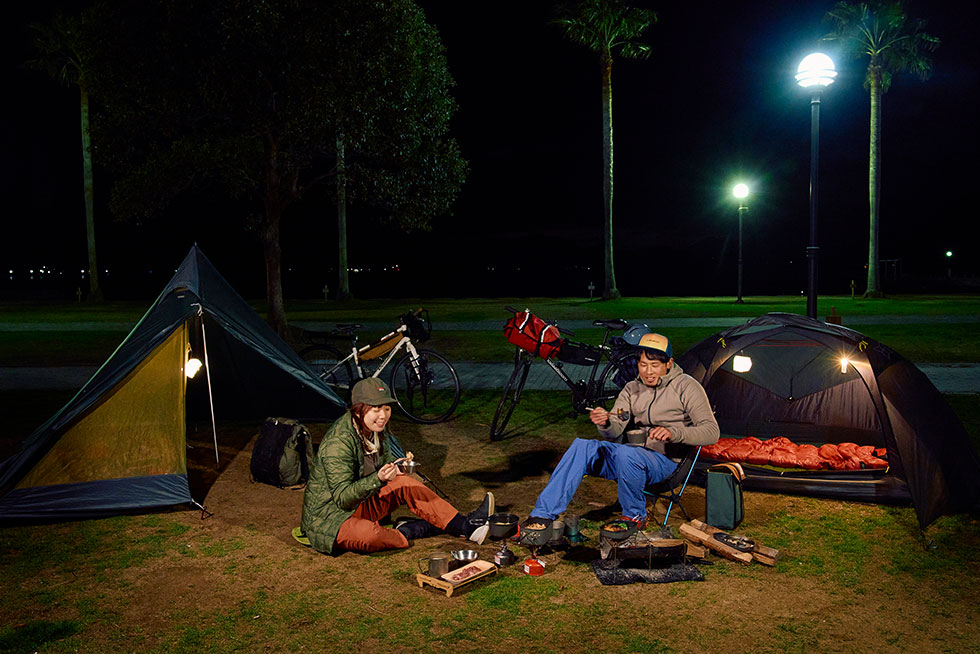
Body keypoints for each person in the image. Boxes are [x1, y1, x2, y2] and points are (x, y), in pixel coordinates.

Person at [529, 332, 719, 528]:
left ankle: (635, 515)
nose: (648, 372)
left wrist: (674, 433)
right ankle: (543, 515)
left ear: (669, 363)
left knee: (628, 453)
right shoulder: (631, 389)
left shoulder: (687, 387)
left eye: (655, 366)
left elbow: (711, 432)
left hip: (666, 462)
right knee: (582, 446)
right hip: (629, 457)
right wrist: (605, 423)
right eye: (643, 365)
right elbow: (616, 426)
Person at [298, 378, 494, 554]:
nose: (383, 415)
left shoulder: (377, 430)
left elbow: (383, 468)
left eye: (387, 408)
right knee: (369, 536)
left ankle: (467, 527)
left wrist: (396, 469)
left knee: (405, 483)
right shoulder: (338, 444)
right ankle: (408, 531)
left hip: (362, 502)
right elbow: (342, 499)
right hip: (331, 517)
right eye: (376, 409)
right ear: (358, 411)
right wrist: (378, 479)